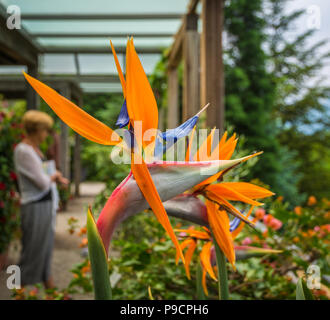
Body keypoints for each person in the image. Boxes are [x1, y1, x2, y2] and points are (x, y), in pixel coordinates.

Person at [14, 110, 69, 289]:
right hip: (35, 206)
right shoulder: (24, 151)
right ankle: (17, 290)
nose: (47, 134)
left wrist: (56, 177)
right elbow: (42, 182)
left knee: (44, 249)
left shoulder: (34, 150)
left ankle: (50, 289)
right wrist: (55, 177)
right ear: (37, 129)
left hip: (44, 205)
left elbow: (44, 174)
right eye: (45, 130)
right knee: (31, 251)